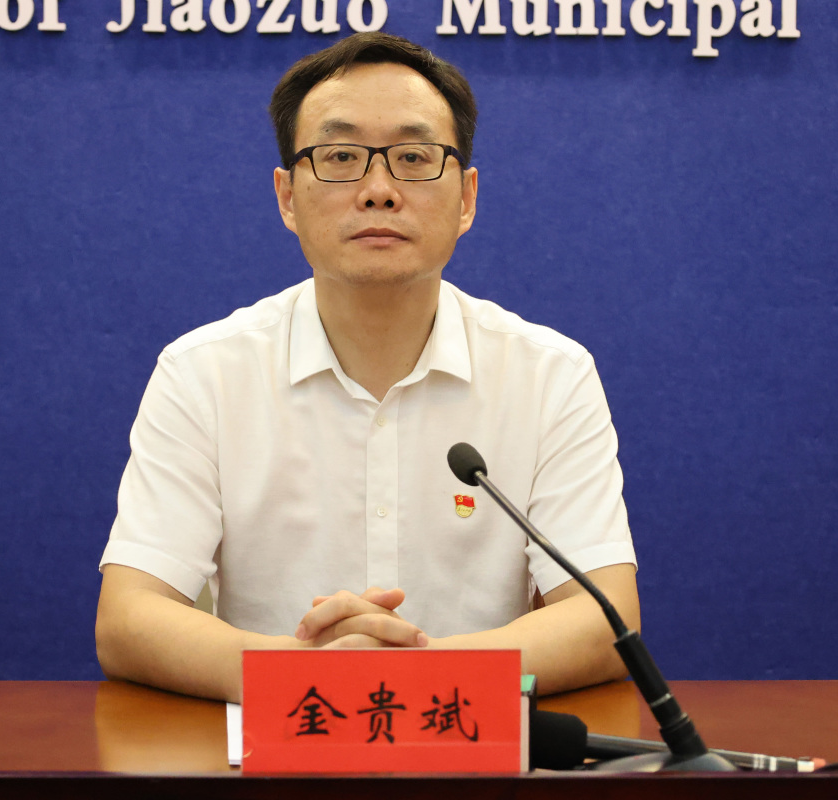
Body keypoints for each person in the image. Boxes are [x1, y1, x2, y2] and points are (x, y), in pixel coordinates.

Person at [95, 32, 639, 704]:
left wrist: (406, 679)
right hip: (276, 748)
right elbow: (129, 619)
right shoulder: (203, 373)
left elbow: (604, 621)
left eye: (413, 158)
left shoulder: (550, 376)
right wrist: (309, 675)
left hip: (469, 743)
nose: (379, 191)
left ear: (466, 198)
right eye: (341, 158)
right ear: (287, 197)